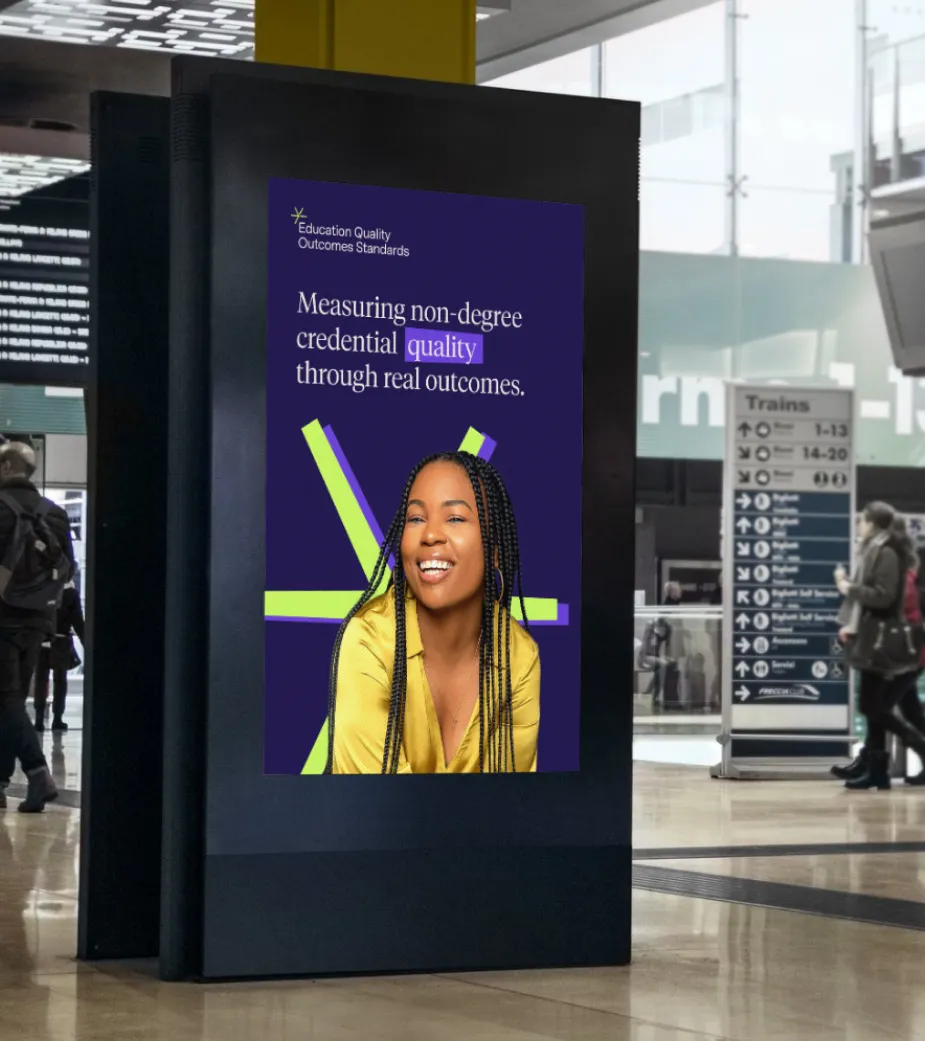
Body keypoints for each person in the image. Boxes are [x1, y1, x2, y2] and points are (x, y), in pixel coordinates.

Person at [325, 451, 539, 774]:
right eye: (416, 518)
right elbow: (376, 811)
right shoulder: (367, 642)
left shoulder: (519, 657)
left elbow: (508, 804)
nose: (429, 535)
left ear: (495, 549)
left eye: (454, 518)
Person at [0, 442, 74, 812]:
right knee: (10, 700)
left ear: (6, 466)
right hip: (39, 619)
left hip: (3, 617)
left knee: (6, 699)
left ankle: (37, 773)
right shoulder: (56, 514)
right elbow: (68, 571)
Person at [832, 502, 925, 790]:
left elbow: (888, 602)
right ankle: (874, 766)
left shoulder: (891, 560)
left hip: (896, 647)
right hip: (895, 646)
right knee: (892, 707)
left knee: (876, 706)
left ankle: (889, 760)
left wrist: (848, 588)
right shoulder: (897, 560)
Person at [33, 579, 84, 733]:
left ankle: (39, 719)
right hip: (61, 642)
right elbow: (78, 622)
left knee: (41, 680)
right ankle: (57, 719)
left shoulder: (41, 588)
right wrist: (87, 644)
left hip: (41, 641)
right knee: (60, 681)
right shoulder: (71, 594)